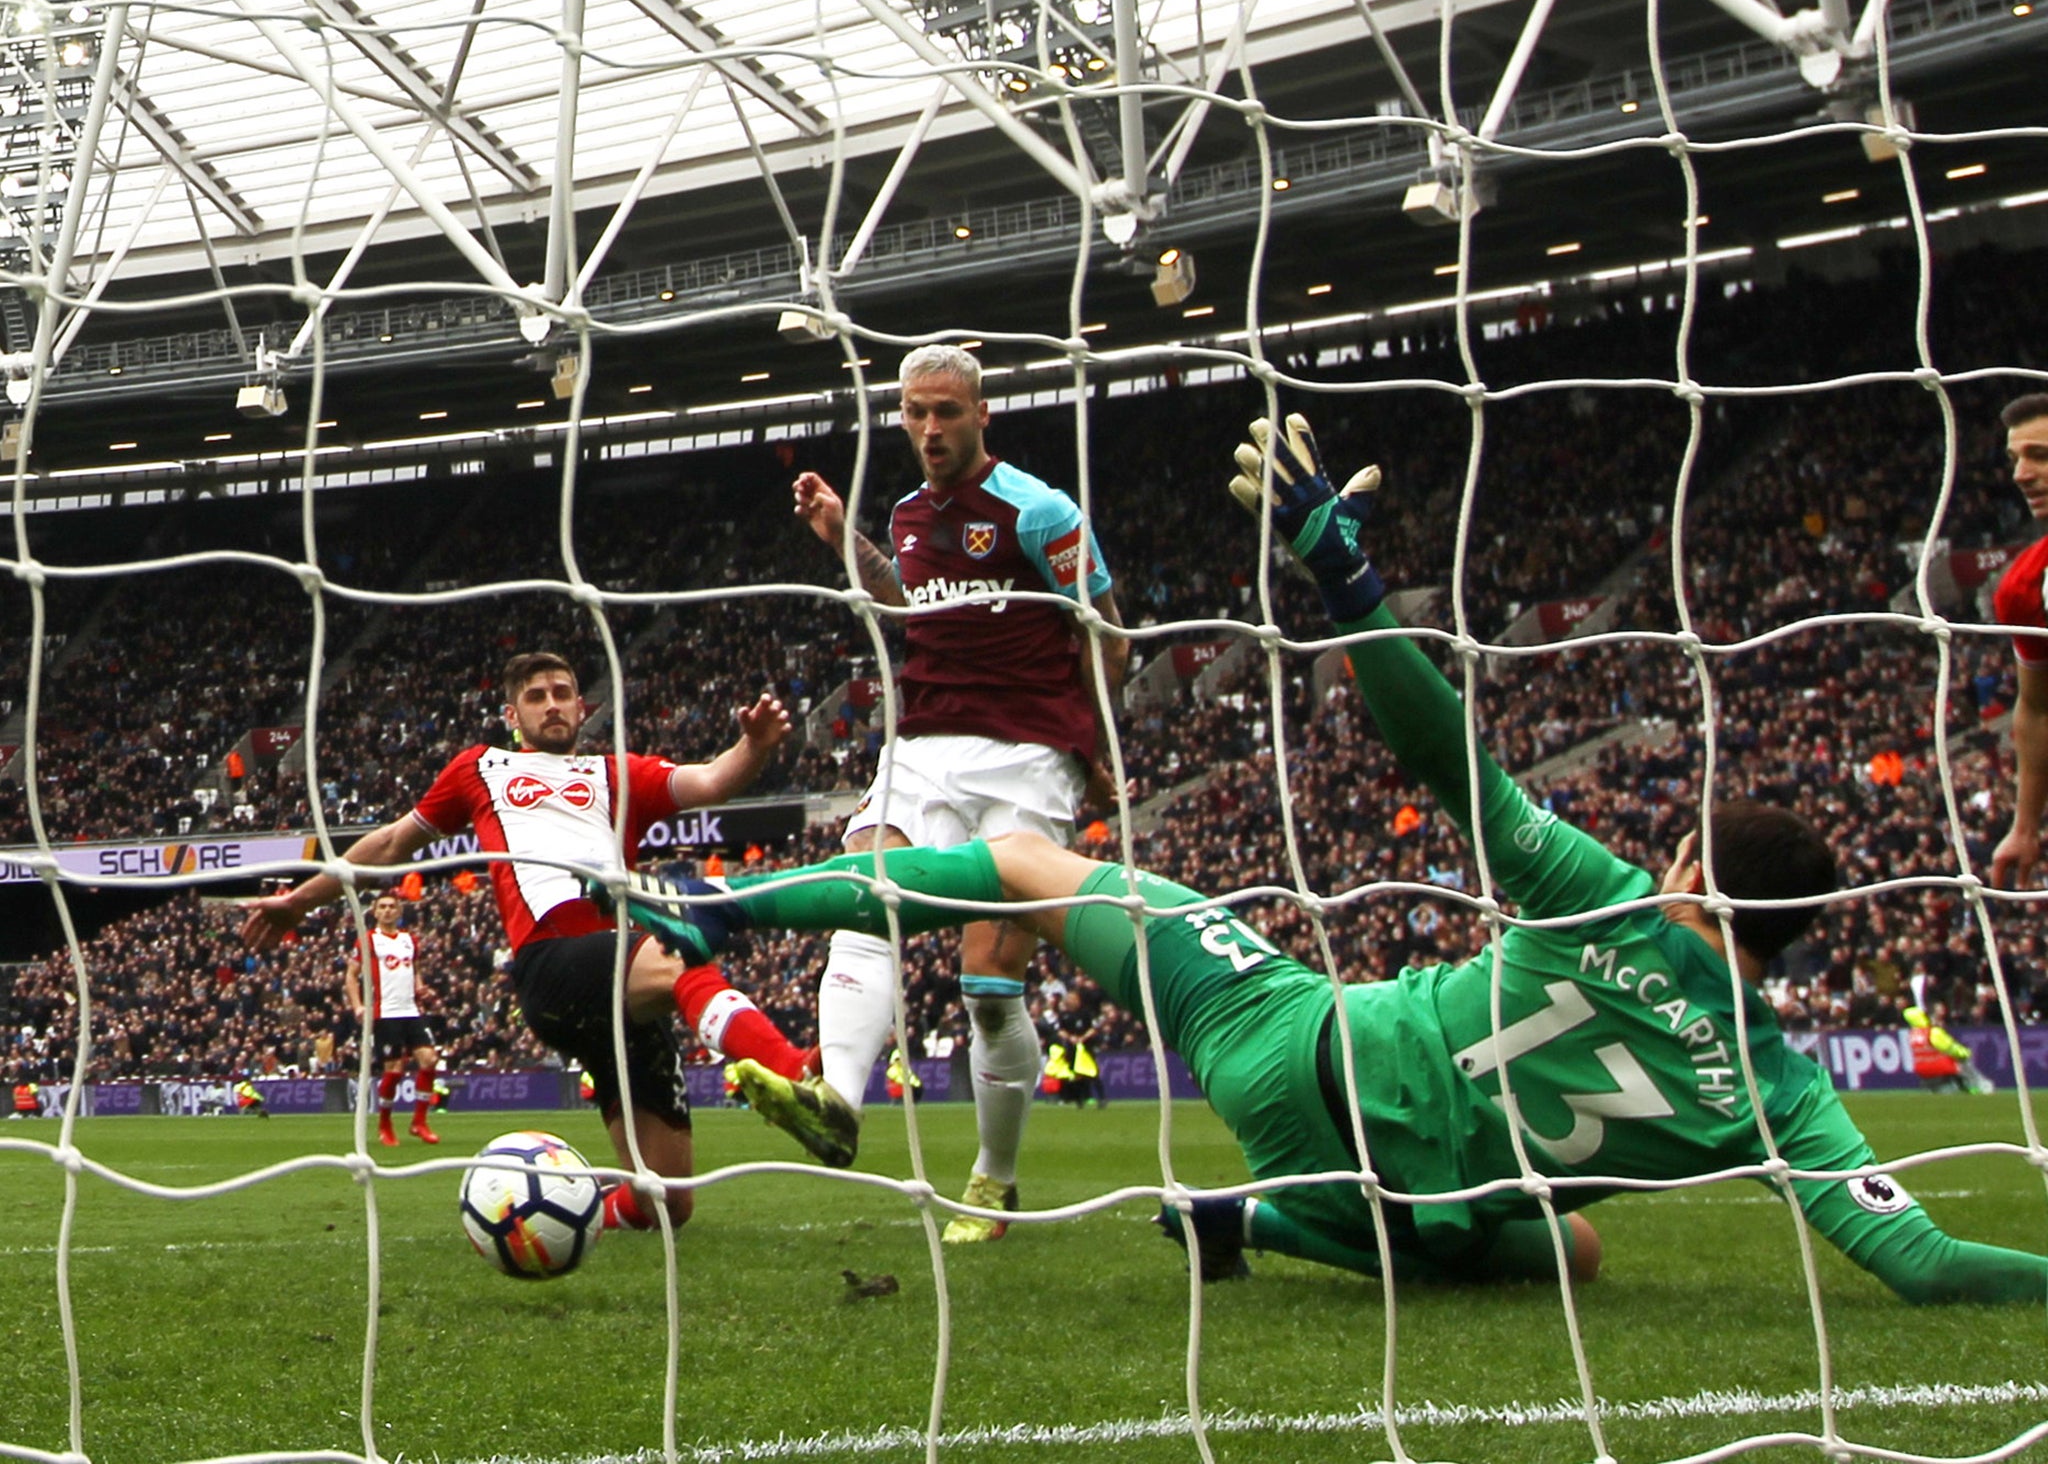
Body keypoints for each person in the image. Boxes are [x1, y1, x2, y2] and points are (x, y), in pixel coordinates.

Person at [612, 414, 2048, 1303]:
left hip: (1290, 1050)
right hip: (1412, 1204)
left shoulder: (1615, 902)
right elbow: (1923, 1264)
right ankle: (1274, 1219)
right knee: (1583, 1255)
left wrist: (1350, 583)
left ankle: (728, 910)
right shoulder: (1785, 1098)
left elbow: (1448, 762)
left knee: (1030, 875)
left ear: (1688, 876)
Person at [243, 650, 816, 1237]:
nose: (552, 705)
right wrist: (298, 901)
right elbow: (391, 843)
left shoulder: (616, 774)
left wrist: (756, 745)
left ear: (580, 705)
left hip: (619, 983)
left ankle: (569, 1211)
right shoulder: (479, 768)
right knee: (678, 956)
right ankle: (795, 1074)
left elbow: (712, 780)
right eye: (537, 696)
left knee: (667, 1205)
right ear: (512, 713)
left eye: (562, 693)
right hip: (556, 964)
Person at [768, 342, 1127, 1242]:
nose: (930, 428)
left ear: (980, 415)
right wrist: (844, 536)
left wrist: (1096, 742)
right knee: (868, 894)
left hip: (1030, 752)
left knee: (989, 978)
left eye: (946, 412)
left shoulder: (1039, 510)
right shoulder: (905, 515)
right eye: (916, 413)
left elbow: (1111, 637)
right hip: (923, 738)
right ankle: (838, 1102)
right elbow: (907, 607)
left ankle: (993, 1183)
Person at [1990, 393, 2048, 889]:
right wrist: (2025, 826)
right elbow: (2037, 709)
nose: (2020, 475)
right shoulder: (2025, 588)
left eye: (2041, 456)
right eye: (2015, 459)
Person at [347, 893, 442, 1147]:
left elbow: (415, 970)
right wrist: (358, 1006)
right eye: (383, 907)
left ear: (399, 912)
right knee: (395, 1070)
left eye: (392, 907)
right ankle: (385, 1124)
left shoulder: (408, 940)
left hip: (410, 1010)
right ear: (375, 912)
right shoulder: (368, 941)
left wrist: (420, 987)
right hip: (385, 1013)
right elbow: (351, 975)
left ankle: (419, 1122)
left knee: (429, 1059)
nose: (388, 911)